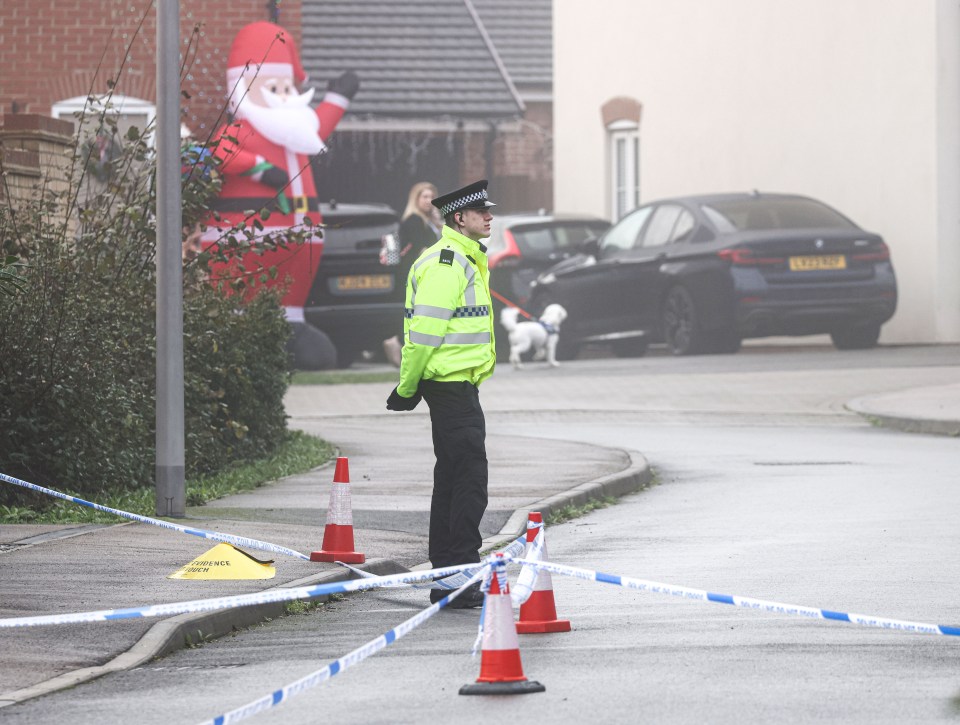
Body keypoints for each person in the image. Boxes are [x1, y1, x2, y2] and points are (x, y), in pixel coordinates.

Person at [385, 179, 498, 609]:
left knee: (452, 479)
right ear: (459, 219)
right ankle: (461, 573)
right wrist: (407, 386)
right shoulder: (448, 263)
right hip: (450, 387)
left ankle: (448, 576)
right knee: (469, 480)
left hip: (456, 386)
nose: (489, 216)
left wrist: (413, 386)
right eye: (481, 212)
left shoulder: (463, 258)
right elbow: (423, 335)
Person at [383, 182, 442, 366]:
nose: (428, 201)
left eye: (432, 197)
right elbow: (421, 248)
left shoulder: (428, 220)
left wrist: (438, 222)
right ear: (415, 199)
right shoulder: (414, 220)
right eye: (424, 197)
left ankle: (403, 346)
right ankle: (397, 343)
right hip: (417, 274)